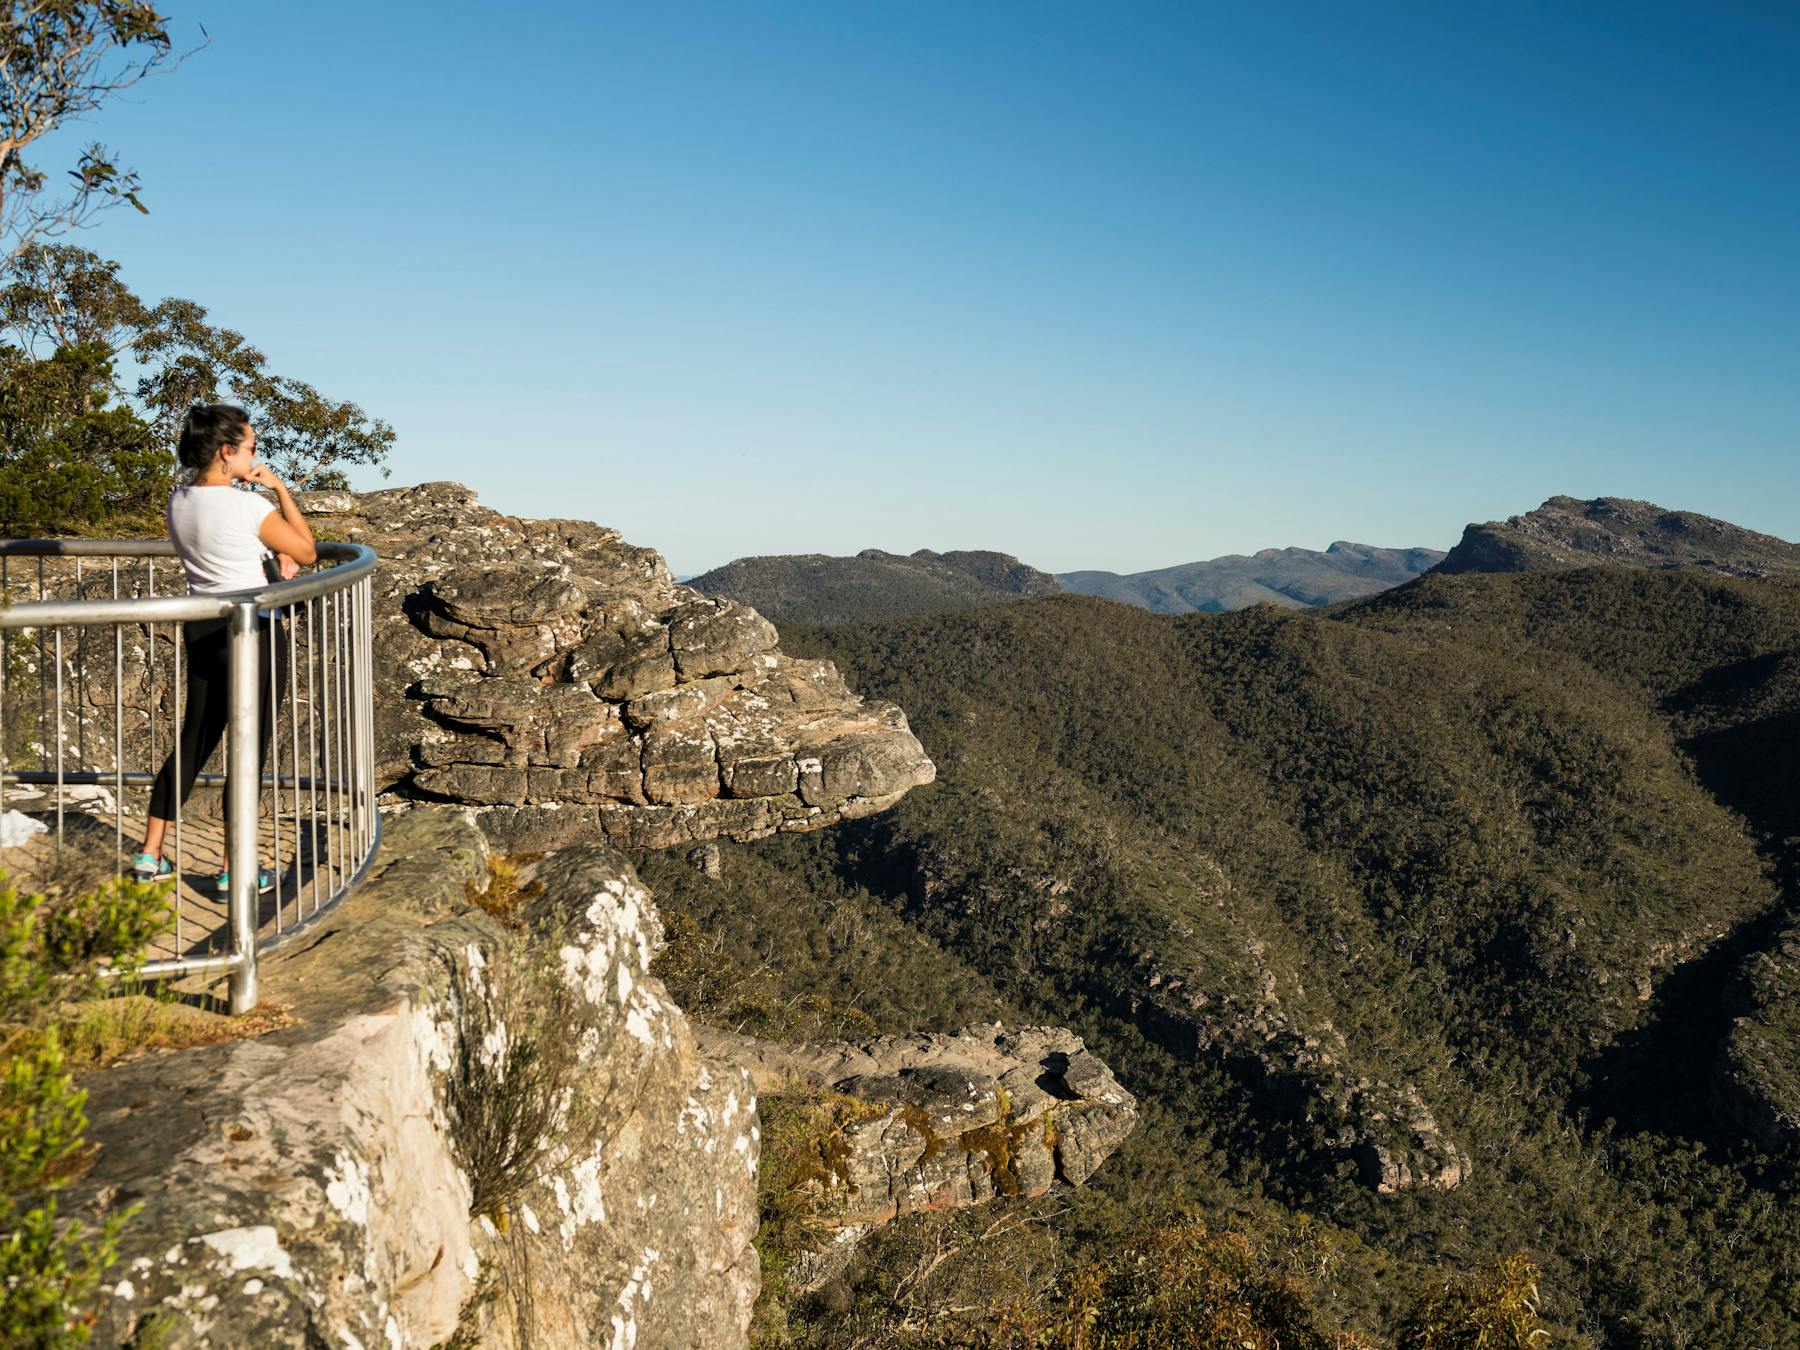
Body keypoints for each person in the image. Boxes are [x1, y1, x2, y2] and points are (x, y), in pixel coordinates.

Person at [129, 405, 317, 892]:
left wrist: (266, 552)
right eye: (251, 447)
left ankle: (150, 854)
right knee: (247, 752)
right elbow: (306, 550)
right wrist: (279, 490)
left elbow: (221, 551)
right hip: (253, 632)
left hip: (203, 627)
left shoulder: (179, 500)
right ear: (227, 452)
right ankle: (238, 867)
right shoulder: (248, 507)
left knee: (193, 740)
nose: (255, 455)